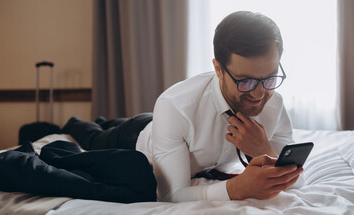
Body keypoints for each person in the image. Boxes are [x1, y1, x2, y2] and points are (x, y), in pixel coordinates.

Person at [63, 11, 303, 203]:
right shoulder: (175, 106)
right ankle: (75, 122)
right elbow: (170, 194)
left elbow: (297, 178)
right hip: (139, 135)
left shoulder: (275, 104)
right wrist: (235, 189)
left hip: (169, 130)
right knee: (93, 136)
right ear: (218, 69)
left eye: (270, 78)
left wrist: (263, 149)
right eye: (246, 81)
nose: (260, 93)